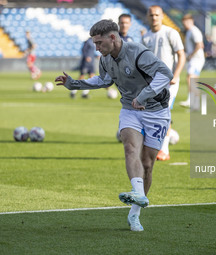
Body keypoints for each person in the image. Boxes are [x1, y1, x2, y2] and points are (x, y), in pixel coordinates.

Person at [55, 19, 173, 231]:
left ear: (113, 37)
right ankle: (137, 192)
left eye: (99, 43)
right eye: (94, 44)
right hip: (130, 110)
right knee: (130, 147)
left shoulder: (138, 52)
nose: (97, 48)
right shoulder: (105, 59)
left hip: (156, 112)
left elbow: (165, 74)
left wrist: (144, 96)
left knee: (147, 163)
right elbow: (103, 80)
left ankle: (134, 214)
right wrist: (74, 83)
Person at [142, 5, 186, 161]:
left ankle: (164, 150)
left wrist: (176, 75)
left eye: (157, 15)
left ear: (162, 16)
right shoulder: (145, 37)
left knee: (163, 113)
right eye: (151, 15)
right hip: (152, 83)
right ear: (148, 17)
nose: (154, 17)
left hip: (169, 82)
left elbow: (181, 55)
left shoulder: (170, 32)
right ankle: (171, 135)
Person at [179, 14, 205, 108]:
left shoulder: (194, 31)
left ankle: (190, 100)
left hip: (197, 59)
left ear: (190, 21)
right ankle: (196, 104)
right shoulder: (190, 31)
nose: (184, 24)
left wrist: (191, 55)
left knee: (190, 78)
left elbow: (200, 45)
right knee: (193, 80)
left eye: (185, 22)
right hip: (194, 59)